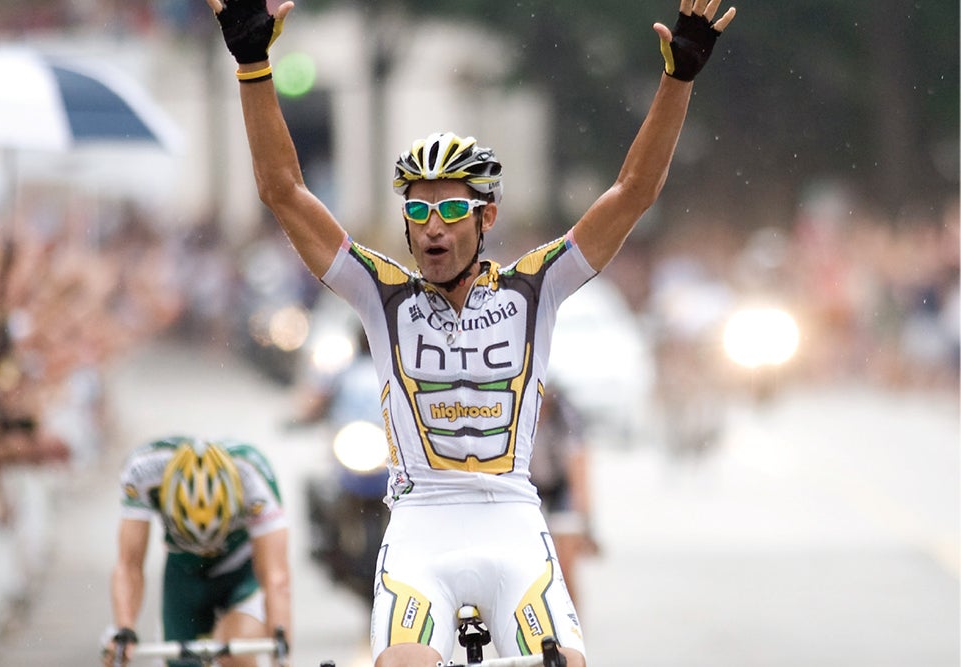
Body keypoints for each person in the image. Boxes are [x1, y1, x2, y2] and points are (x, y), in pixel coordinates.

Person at [203, 0, 736, 664]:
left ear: (486, 217)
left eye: (452, 207)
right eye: (418, 208)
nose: (432, 224)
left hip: (513, 522)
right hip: (421, 524)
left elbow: (632, 191)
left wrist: (678, 77)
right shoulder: (382, 294)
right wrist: (253, 65)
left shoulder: (534, 286)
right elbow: (284, 190)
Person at [102, 436, 291, 667]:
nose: (206, 547)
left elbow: (276, 579)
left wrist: (281, 651)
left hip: (241, 571)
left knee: (233, 647)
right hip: (185, 573)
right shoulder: (143, 470)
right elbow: (129, 564)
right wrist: (124, 630)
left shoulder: (253, 475)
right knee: (181, 662)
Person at [528, 385, 600, 609]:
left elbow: (579, 473)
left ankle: (572, 624)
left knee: (565, 567)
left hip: (561, 487)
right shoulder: (515, 417)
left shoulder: (565, 420)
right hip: (530, 488)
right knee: (531, 567)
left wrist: (587, 524)